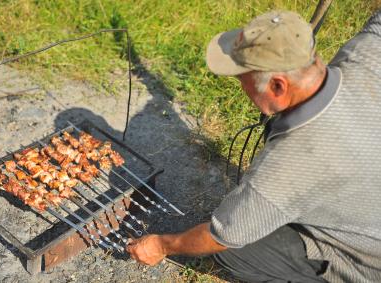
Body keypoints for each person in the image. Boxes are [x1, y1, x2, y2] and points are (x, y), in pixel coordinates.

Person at [126, 9, 381, 283]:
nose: (239, 84)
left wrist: (161, 245)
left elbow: (223, 235)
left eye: (241, 77)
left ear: (278, 87)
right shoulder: (366, 55)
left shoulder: (287, 168)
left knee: (237, 251)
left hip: (370, 261)